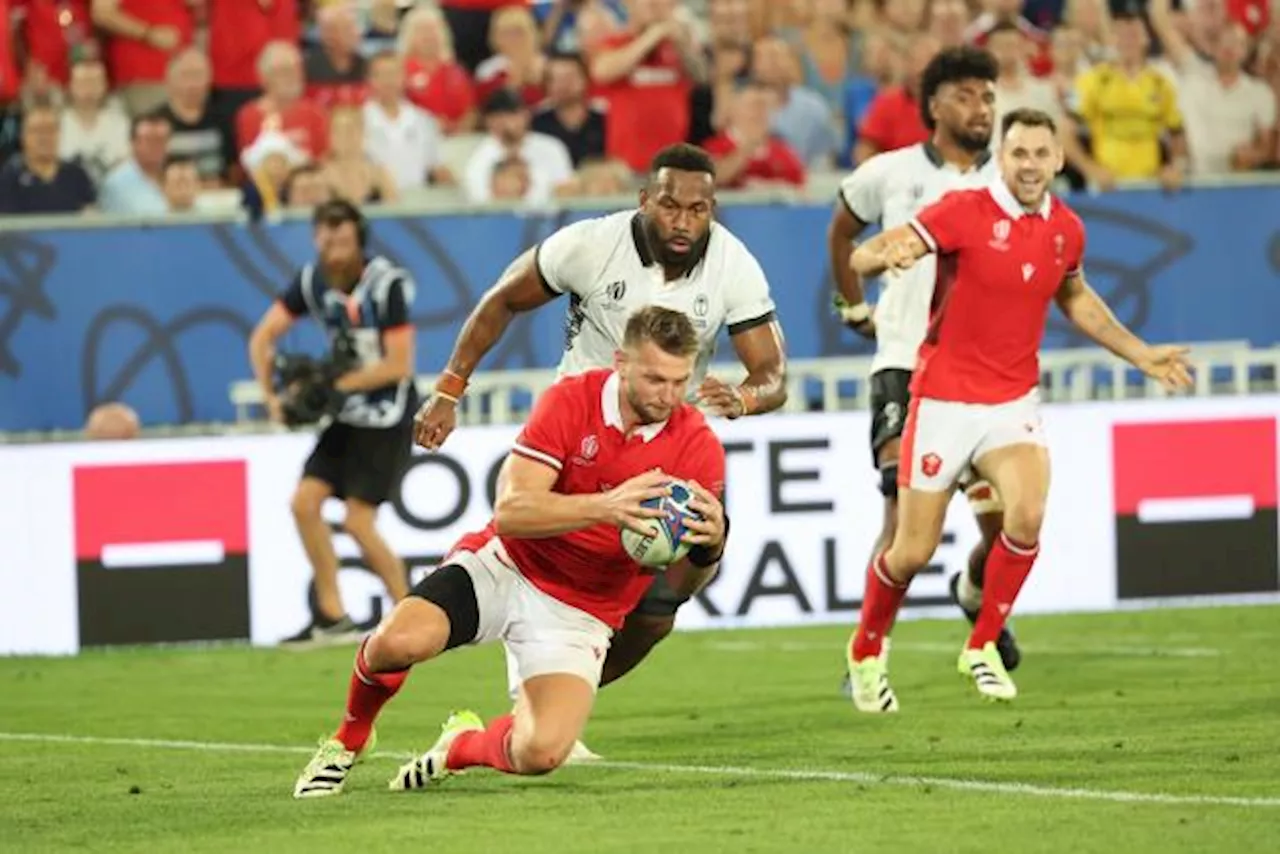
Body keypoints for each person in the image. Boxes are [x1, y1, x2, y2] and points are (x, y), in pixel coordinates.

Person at [413, 142, 787, 758]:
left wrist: (745, 399)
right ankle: (492, 649)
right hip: (578, 440)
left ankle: (550, 701)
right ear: (645, 200)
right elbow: (504, 296)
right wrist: (450, 388)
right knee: (541, 564)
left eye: (698, 209)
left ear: (713, 211)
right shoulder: (590, 244)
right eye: (670, 205)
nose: (682, 220)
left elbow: (773, 373)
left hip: (664, 450)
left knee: (662, 607)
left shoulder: (734, 265)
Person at [293, 306, 728, 798]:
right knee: (396, 642)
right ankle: (348, 741)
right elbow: (512, 512)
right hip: (509, 566)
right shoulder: (570, 401)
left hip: (583, 610)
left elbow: (680, 590)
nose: (668, 396)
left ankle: (459, 747)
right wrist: (606, 507)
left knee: (541, 753)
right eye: (654, 379)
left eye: (679, 381)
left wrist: (709, 550)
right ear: (621, 362)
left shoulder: (698, 448)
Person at [844, 107, 1193, 712]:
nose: (1029, 165)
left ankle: (980, 646)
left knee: (1026, 516)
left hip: (1012, 400)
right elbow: (865, 253)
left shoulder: (1066, 229)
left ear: (1059, 159)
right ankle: (867, 650)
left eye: (1040, 154)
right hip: (944, 399)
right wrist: (882, 257)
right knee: (912, 551)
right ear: (1001, 159)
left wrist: (1142, 355)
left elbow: (1076, 299)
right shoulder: (964, 211)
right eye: (1019, 153)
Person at [828, 47, 1020, 696]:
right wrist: (851, 303)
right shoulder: (889, 172)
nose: (981, 108)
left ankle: (973, 590)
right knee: (901, 518)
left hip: (984, 377)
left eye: (989, 96)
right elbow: (842, 231)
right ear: (934, 105)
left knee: (1005, 527)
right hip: (904, 363)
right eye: (967, 95)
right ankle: (868, 658)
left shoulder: (1009, 181)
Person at [247, 200, 417, 647]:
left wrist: (336, 383)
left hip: (386, 416)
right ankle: (332, 615)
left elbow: (399, 364)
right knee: (304, 504)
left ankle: (412, 615)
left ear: (358, 240)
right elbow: (262, 337)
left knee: (359, 522)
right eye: (325, 236)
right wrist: (272, 397)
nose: (333, 247)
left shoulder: (386, 284)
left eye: (342, 238)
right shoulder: (311, 281)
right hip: (346, 414)